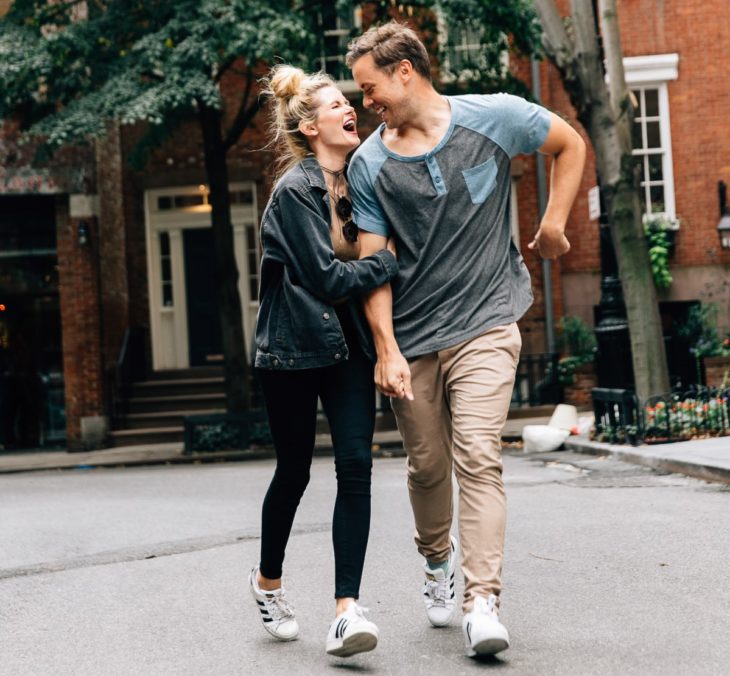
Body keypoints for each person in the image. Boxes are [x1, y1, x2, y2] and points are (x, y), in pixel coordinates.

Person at [345, 22, 586, 658]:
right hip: (415, 337)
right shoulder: (370, 163)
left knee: (478, 453)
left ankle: (484, 601)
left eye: (370, 87)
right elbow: (373, 265)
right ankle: (435, 562)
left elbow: (570, 144)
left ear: (404, 71)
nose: (365, 101)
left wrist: (554, 222)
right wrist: (387, 348)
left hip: (486, 322)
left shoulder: (495, 118)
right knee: (427, 467)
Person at [248, 64, 399, 658]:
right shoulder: (293, 192)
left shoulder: (361, 180)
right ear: (311, 127)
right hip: (290, 350)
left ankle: (346, 609)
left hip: (346, 349)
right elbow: (329, 277)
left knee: (356, 467)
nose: (350, 108)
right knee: (295, 471)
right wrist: (388, 262)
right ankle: (268, 583)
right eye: (338, 104)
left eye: (348, 101)